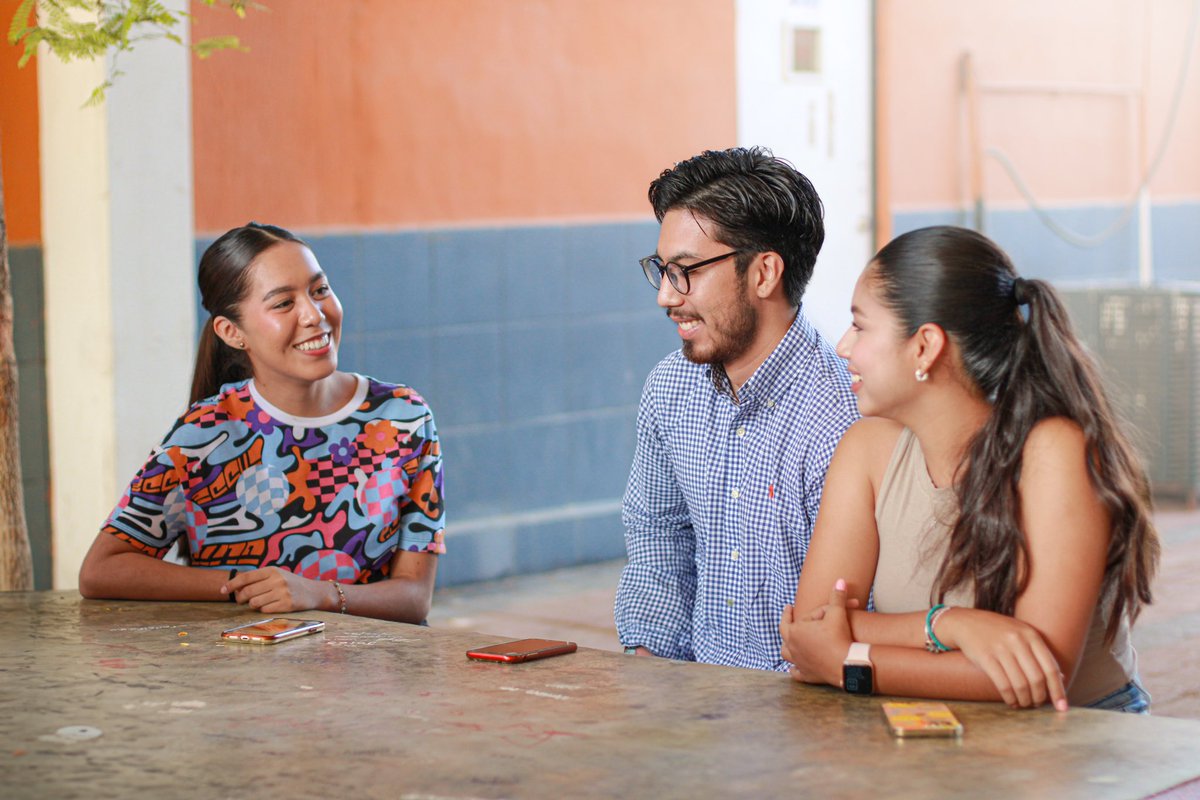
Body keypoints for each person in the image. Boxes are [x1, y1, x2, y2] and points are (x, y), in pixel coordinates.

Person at [780, 225, 1159, 712]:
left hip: (1076, 743)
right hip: (937, 730)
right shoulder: (865, 449)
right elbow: (810, 628)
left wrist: (849, 664)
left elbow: (1040, 675)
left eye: (861, 326)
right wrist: (949, 624)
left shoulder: (1054, 450)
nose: (843, 347)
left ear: (925, 346)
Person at [78, 223, 444, 623]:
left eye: (319, 290)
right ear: (233, 332)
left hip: (375, 676)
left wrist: (318, 594)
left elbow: (414, 598)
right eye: (283, 303)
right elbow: (101, 570)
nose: (314, 314)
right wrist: (243, 584)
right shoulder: (203, 437)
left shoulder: (404, 418)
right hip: (244, 676)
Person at [614, 147, 860, 670]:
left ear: (765, 273)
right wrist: (652, 665)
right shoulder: (670, 388)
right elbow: (659, 533)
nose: (665, 295)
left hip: (811, 712)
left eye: (685, 271)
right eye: (661, 270)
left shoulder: (846, 416)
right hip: (696, 710)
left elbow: (853, 615)